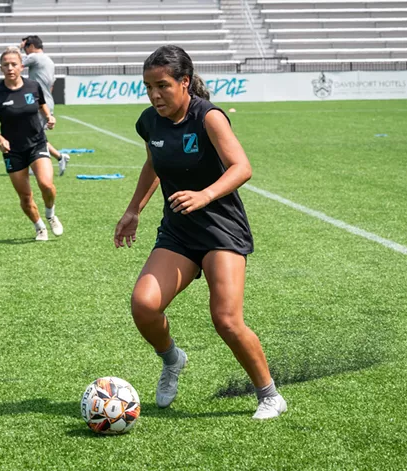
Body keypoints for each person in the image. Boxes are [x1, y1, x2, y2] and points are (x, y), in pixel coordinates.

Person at [114, 45, 287, 419]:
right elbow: (152, 164)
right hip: (178, 231)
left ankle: (270, 394)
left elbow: (242, 167)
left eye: (162, 85)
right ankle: (173, 359)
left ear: (184, 82)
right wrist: (133, 210)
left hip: (221, 229)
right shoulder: (149, 121)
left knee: (226, 318)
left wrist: (205, 195)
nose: (155, 95)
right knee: (144, 306)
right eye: (148, 87)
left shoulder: (208, 117)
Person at [0, 47, 64, 241]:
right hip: (13, 151)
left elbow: (41, 105)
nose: (10, 68)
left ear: (22, 66)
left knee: (46, 185)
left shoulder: (33, 86)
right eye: (6, 65)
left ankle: (50, 214)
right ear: (1, 68)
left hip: (37, 144)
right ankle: (40, 227)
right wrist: (0, 139)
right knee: (25, 197)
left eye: (14, 64)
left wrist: (49, 117)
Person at [20, 35, 70, 176]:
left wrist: (18, 47)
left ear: (31, 46)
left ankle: (40, 164)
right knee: (36, 135)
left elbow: (16, 64)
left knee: (33, 135)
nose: (25, 52)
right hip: (46, 100)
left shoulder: (35, 57)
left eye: (25, 48)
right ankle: (60, 157)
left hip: (38, 102)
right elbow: (52, 85)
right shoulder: (49, 61)